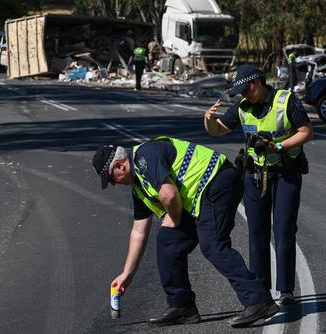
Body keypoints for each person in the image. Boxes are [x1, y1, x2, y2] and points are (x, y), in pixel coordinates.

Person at [91, 137, 278, 328]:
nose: (114, 184)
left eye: (111, 178)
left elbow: (169, 194)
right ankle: (182, 306)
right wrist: (127, 274)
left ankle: (258, 301)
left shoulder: (144, 158)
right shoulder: (139, 188)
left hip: (218, 181)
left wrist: (173, 218)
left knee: (212, 245)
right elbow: (139, 231)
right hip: (197, 198)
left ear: (120, 166)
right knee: (168, 241)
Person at [204, 65, 313, 305]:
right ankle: (261, 290)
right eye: (240, 91)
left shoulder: (286, 101)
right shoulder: (242, 107)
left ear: (259, 83)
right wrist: (209, 121)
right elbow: (219, 130)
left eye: (247, 89)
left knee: (283, 229)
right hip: (254, 174)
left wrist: (279, 147)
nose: (244, 94)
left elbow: (306, 131)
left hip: (286, 172)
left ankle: (285, 291)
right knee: (257, 232)